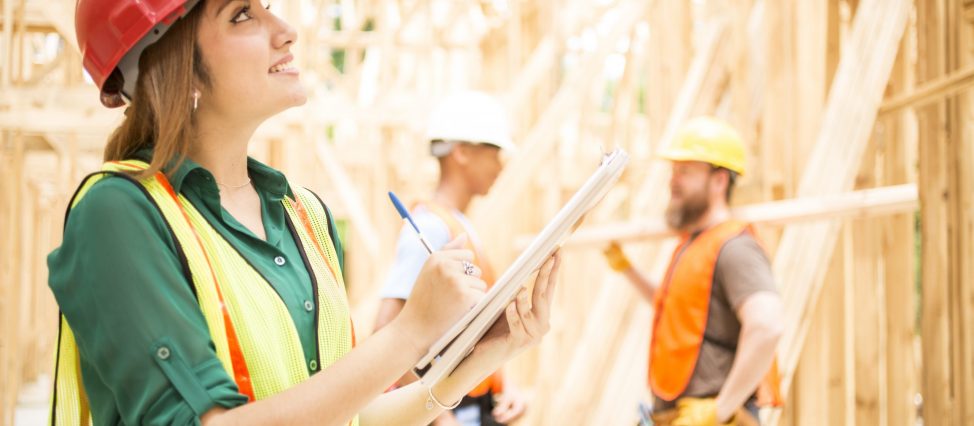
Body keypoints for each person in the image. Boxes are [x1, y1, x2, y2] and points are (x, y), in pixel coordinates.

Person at [47, 1, 560, 425]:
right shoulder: (118, 214)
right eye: (242, 15)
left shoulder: (303, 213)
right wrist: (408, 333)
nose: (286, 31)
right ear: (175, 64)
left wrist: (488, 355)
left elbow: (346, 417)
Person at [602, 117, 783, 425]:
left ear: (719, 180)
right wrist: (627, 268)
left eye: (685, 171)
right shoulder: (695, 242)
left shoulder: (735, 247)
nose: (674, 180)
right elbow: (674, 307)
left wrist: (720, 411)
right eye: (673, 170)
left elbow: (766, 326)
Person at [373, 91, 527, 426]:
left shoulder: (459, 225)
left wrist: (506, 386)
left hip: (474, 405)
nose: (500, 165)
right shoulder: (431, 228)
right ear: (462, 153)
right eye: (494, 152)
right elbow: (386, 328)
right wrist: (441, 418)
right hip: (451, 410)